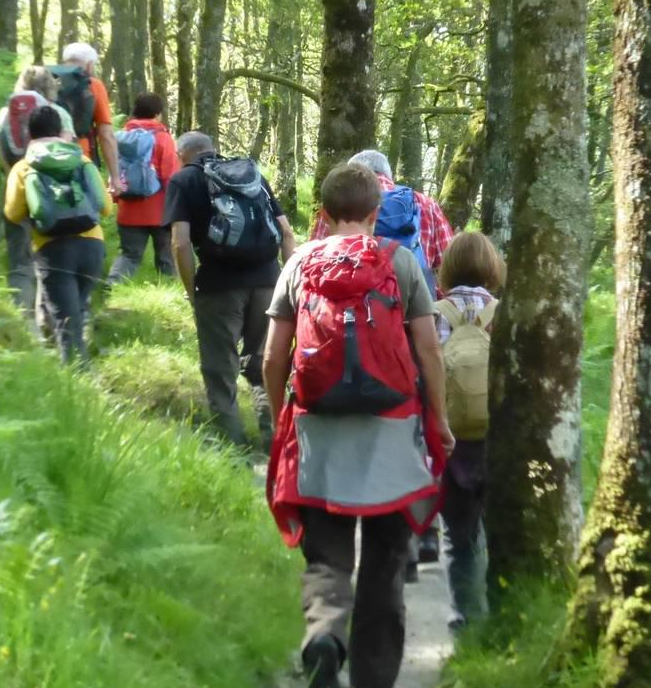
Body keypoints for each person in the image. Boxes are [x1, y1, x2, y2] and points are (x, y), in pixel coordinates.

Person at [263, 162, 452, 688]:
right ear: (376, 213)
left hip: (318, 428)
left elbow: (273, 356)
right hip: (392, 427)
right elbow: (429, 350)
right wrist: (439, 419)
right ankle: (373, 686)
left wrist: (282, 416)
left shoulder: (299, 264)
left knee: (327, 556)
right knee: (386, 559)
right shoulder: (400, 262)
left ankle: (324, 635)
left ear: (322, 213)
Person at [165, 131, 296, 450]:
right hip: (268, 283)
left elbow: (180, 243)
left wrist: (192, 290)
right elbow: (286, 232)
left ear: (182, 155)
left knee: (220, 368)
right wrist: (287, 282)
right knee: (263, 362)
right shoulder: (250, 174)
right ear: (213, 149)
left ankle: (232, 447)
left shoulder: (183, 180)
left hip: (218, 286)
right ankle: (275, 440)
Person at [431, 231, 504, 629]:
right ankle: (500, 613)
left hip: (450, 438)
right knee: (496, 530)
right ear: (493, 268)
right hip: (494, 438)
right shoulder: (502, 313)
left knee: (458, 537)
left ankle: (466, 618)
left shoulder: (434, 313)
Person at [3, 105, 112, 364]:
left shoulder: (24, 167)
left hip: (53, 250)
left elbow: (12, 213)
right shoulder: (82, 160)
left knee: (67, 326)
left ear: (30, 134)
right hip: (92, 245)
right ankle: (77, 367)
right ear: (60, 130)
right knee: (76, 312)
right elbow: (106, 207)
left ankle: (79, 380)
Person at [310, 149, 453, 291]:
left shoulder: (337, 204)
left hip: (350, 297)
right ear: (389, 175)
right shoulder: (425, 204)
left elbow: (315, 259)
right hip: (413, 296)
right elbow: (450, 265)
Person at [0, 66, 69, 318]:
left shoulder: (5, 113)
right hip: (51, 195)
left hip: (14, 191)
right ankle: (52, 320)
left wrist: (15, 176)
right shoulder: (57, 113)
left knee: (19, 261)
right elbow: (64, 152)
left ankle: (22, 321)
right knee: (52, 258)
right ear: (50, 86)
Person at [109, 91, 180, 284]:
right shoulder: (163, 138)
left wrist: (116, 197)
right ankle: (169, 289)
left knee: (129, 254)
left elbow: (115, 171)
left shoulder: (121, 138)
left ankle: (113, 284)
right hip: (159, 210)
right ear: (157, 113)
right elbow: (170, 176)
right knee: (166, 256)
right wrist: (176, 206)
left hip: (128, 208)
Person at [48, 42, 121, 194]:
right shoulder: (93, 85)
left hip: (44, 157)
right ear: (89, 65)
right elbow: (105, 134)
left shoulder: (47, 81)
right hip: (80, 158)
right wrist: (115, 177)